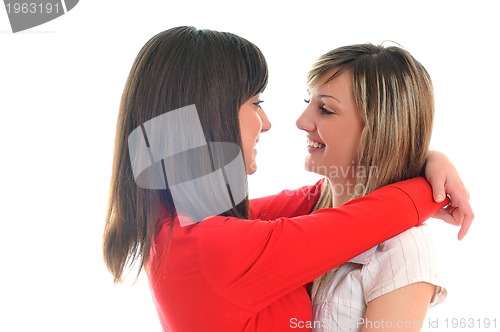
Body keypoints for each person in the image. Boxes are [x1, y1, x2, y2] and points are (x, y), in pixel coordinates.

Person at [102, 26, 473, 332]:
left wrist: (421, 158)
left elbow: (315, 200)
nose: (270, 123)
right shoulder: (216, 246)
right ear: (210, 118)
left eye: (325, 108)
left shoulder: (178, 222)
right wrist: (430, 187)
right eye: (255, 104)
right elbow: (356, 221)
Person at [296, 43, 457, 331]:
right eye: (306, 102)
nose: (302, 121)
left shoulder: (404, 251)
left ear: (379, 128)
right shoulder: (305, 210)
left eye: (326, 109)